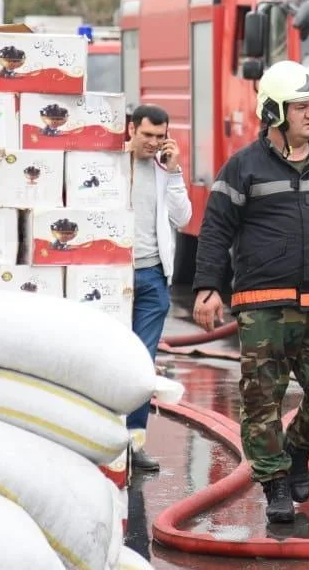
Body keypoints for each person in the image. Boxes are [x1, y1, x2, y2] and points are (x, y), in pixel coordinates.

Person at [191, 60, 309, 524]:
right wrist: (208, 289)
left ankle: (298, 451)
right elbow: (215, 230)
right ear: (275, 111)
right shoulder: (243, 168)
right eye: (302, 106)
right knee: (262, 398)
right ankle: (275, 483)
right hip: (262, 305)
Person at [127, 103, 193, 472]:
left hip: (152, 275)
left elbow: (183, 218)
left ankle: (134, 442)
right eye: (147, 135)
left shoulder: (164, 170)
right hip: (113, 277)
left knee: (141, 363)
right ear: (133, 129)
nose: (153, 143)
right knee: (105, 358)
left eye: (160, 136)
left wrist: (175, 172)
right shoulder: (114, 164)